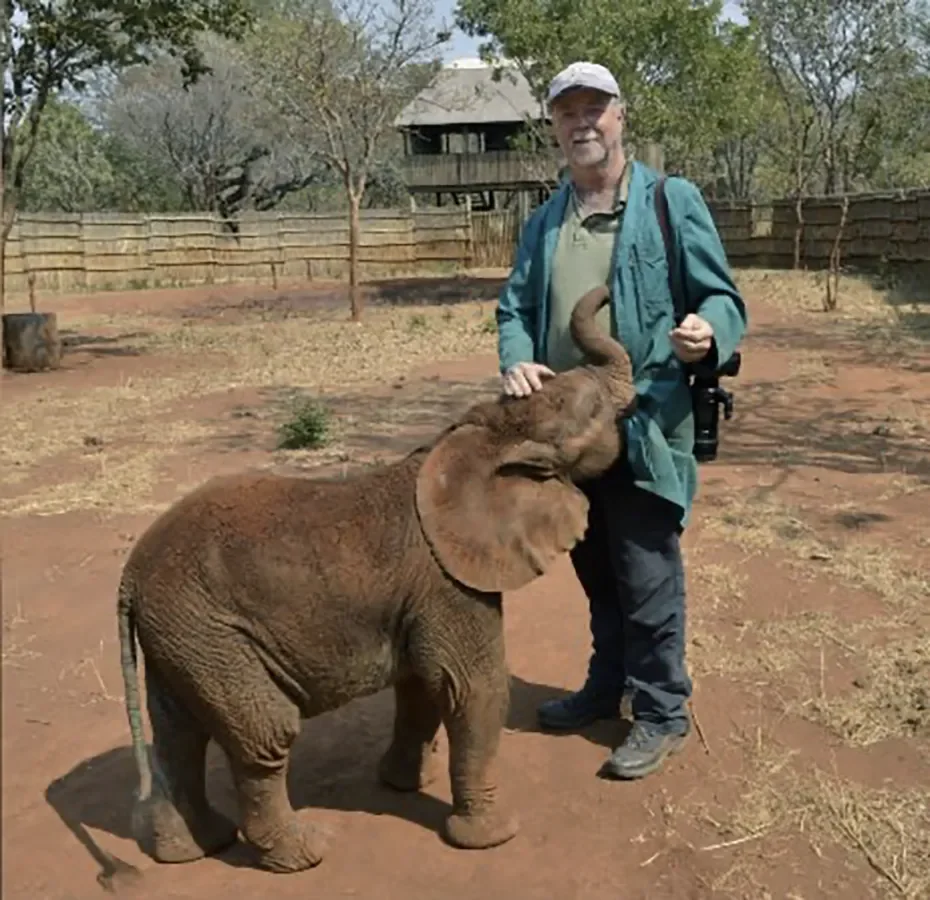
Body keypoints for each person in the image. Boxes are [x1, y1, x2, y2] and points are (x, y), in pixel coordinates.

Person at [496, 61, 748, 780]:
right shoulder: (545, 221)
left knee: (645, 575)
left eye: (593, 109)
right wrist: (516, 357)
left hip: (644, 427)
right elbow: (514, 309)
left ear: (620, 116)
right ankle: (607, 686)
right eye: (567, 112)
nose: (582, 122)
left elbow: (723, 297)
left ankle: (664, 708)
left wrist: (709, 329)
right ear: (554, 127)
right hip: (569, 439)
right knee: (595, 568)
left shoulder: (671, 202)